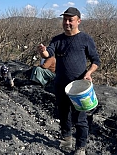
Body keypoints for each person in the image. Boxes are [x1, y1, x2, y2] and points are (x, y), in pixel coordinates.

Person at [37, 7, 101, 155]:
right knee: (63, 114)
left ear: (78, 21)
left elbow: (96, 60)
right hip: (60, 85)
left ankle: (81, 147)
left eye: (70, 20)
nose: (67, 22)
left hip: (79, 87)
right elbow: (49, 53)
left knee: (80, 118)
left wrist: (89, 73)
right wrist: (43, 51)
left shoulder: (85, 39)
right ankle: (66, 139)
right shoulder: (57, 39)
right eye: (65, 19)